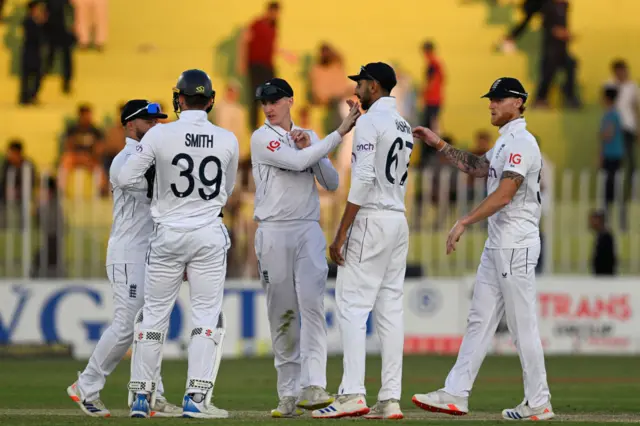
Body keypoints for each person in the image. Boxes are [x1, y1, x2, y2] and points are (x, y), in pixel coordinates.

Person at [411, 77, 554, 421]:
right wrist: (440, 144)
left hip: (515, 244)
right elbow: (478, 167)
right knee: (479, 320)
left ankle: (539, 401)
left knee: (522, 326)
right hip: (499, 243)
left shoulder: (523, 143)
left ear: (519, 102)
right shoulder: (505, 142)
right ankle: (456, 393)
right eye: (490, 98)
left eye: (498, 99)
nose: (490, 104)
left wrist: (464, 221)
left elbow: (505, 193)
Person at [114, 70, 239, 419]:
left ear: (179, 99)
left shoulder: (160, 135)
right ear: (211, 100)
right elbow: (225, 191)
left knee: (154, 316)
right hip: (208, 234)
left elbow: (125, 177)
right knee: (206, 317)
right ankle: (196, 399)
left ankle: (141, 397)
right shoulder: (228, 138)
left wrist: (157, 185)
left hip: (167, 233)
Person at [250, 77, 360, 417]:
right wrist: (339, 132)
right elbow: (296, 164)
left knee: (312, 307)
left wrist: (310, 149)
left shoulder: (308, 138)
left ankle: (313, 385)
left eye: (275, 100)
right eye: (264, 102)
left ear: (289, 101)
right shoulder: (261, 137)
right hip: (273, 231)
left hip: (307, 230)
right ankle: (288, 392)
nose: (268, 107)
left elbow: (331, 182)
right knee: (282, 312)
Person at [66, 100, 182, 417]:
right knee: (125, 327)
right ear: (131, 125)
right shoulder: (125, 160)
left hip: (151, 253)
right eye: (149, 120)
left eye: (158, 120)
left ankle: (150, 393)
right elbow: (156, 195)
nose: (156, 125)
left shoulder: (151, 157)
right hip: (128, 253)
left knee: (151, 325)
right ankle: (85, 386)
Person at [314, 62, 410, 420]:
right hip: (397, 219)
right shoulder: (401, 123)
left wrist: (341, 233)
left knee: (352, 306)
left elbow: (364, 178)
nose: (358, 89)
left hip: (371, 217)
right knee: (390, 310)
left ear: (375, 85)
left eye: (362, 83)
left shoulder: (370, 122)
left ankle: (352, 392)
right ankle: (390, 397)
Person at [20, 0, 47, 105]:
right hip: (29, 52)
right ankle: (25, 97)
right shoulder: (28, 21)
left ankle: (33, 95)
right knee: (27, 76)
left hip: (36, 53)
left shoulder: (39, 22)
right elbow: (33, 36)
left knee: (38, 76)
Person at [588, 210, 617, 276]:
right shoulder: (601, 235)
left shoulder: (605, 236)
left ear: (599, 221)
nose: (591, 223)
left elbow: (607, 260)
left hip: (604, 277)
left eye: (593, 220)